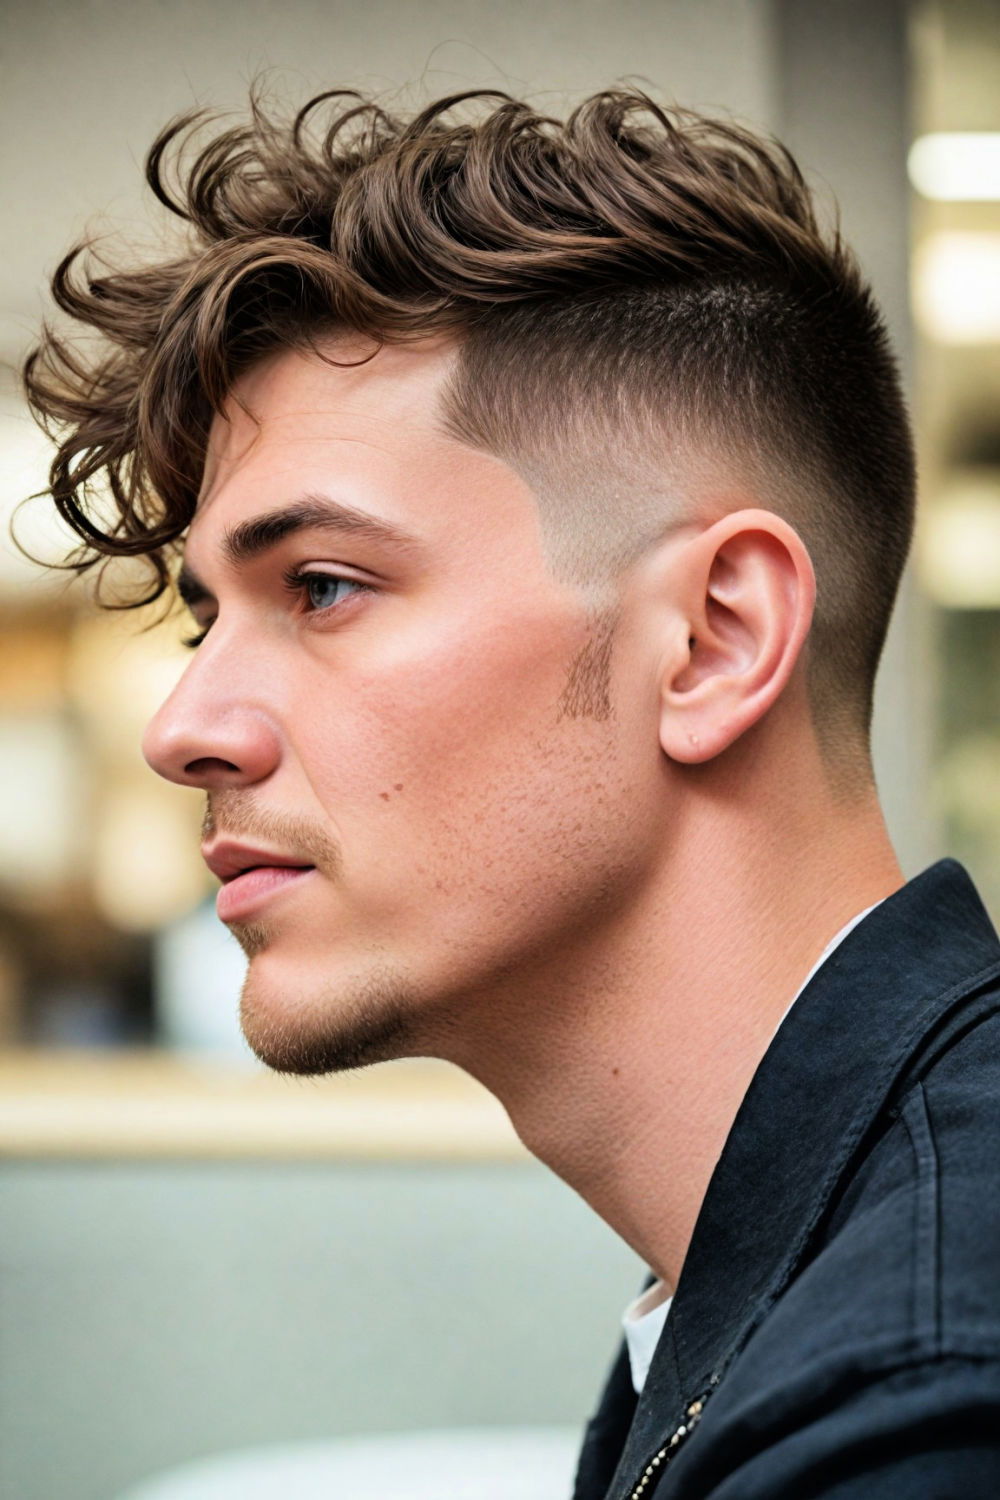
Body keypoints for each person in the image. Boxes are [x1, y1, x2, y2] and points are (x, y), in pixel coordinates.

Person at [23, 85, 1000, 1497]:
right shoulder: (797, 1277)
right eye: (204, 622)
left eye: (324, 587)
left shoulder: (922, 1413)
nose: (185, 729)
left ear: (716, 639)